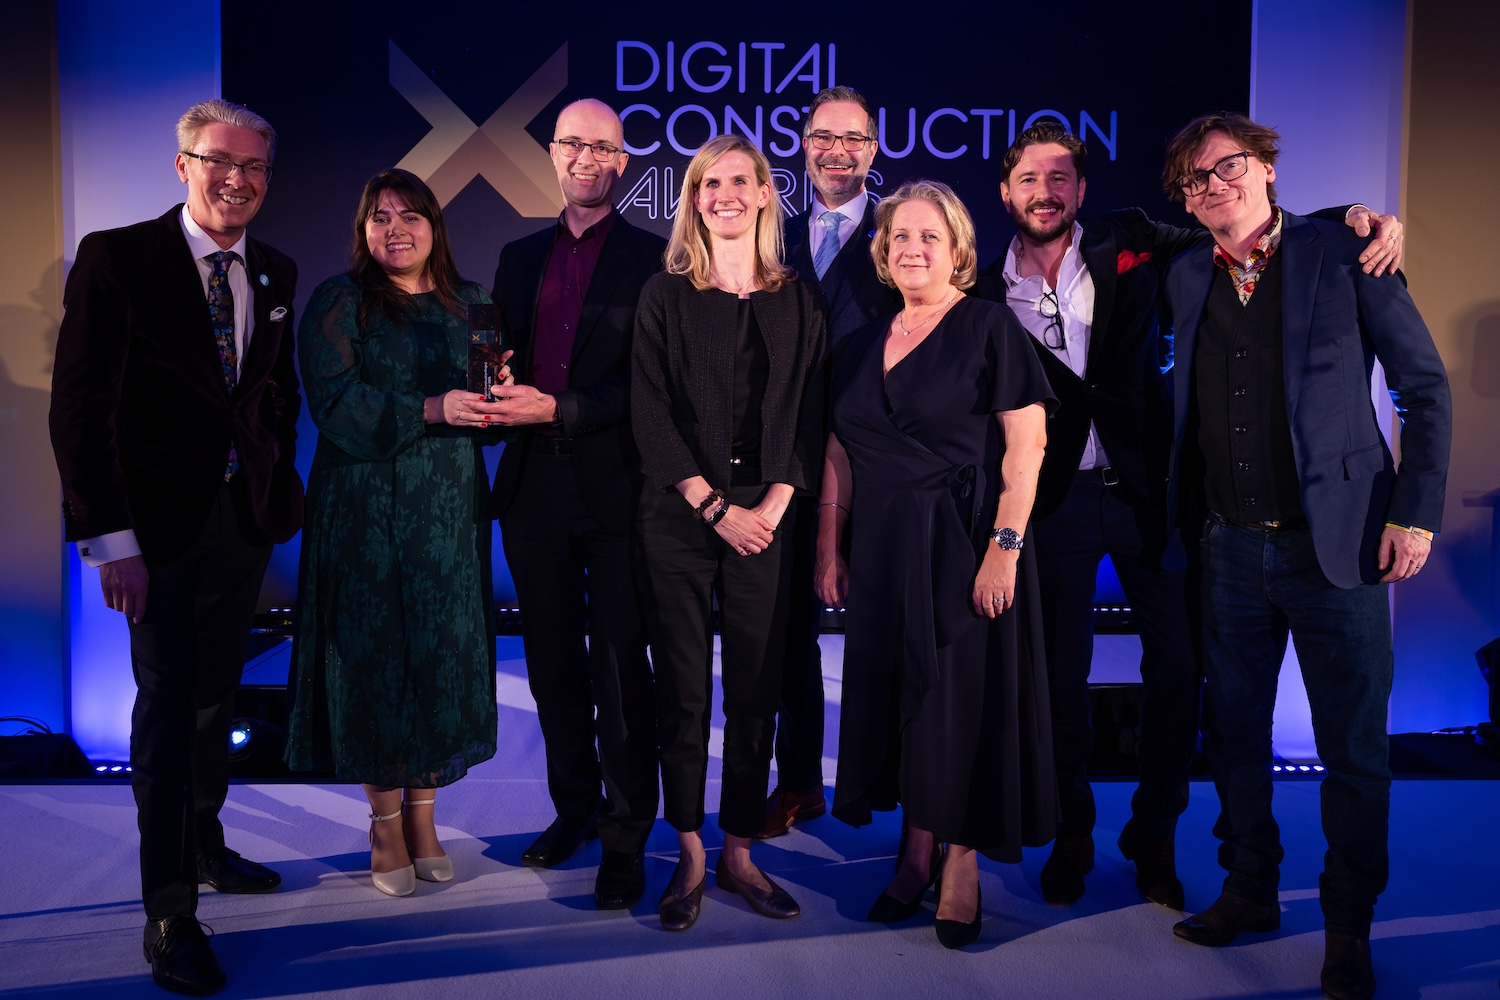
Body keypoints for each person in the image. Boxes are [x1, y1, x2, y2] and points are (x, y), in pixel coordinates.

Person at [972, 122, 1408, 911]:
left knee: (1180, 674)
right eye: (1030, 179)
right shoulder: (978, 284)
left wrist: (1358, 217)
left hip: (1153, 494)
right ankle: (1074, 833)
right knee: (1059, 682)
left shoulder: (1136, 238)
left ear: (1081, 190)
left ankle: (1155, 837)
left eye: (1062, 177)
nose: (1046, 191)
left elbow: (1251, 226)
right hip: (1052, 503)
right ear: (1006, 192)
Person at [1159, 113, 1450, 1000]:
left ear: (1268, 169)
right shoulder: (1182, 273)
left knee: (1354, 750)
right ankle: (1249, 889)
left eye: (1229, 168)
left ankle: (1348, 925)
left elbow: (1423, 390)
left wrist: (1416, 515)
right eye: (1195, 180)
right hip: (1228, 550)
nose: (1214, 187)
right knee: (1236, 738)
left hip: (1345, 549)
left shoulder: (1347, 251)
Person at [48, 98, 301, 995]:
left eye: (255, 168)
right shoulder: (120, 258)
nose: (238, 180)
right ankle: (169, 911)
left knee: (213, 702)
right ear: (183, 164)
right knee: (165, 710)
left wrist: (274, 486)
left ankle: (205, 841)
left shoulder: (274, 269)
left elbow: (269, 395)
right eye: (219, 162)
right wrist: (111, 543)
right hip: (149, 538)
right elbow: (80, 413)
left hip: (240, 526)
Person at [817, 180, 1057, 950]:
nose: (913, 249)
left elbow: (1029, 444)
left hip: (962, 543)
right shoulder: (859, 343)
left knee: (959, 703)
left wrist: (1004, 547)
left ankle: (961, 858)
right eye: (900, 238)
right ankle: (914, 847)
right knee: (903, 702)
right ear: (882, 255)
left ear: (958, 250)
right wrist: (829, 544)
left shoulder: (989, 326)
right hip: (883, 552)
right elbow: (838, 452)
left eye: (930, 236)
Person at [285, 168, 502, 900]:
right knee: (375, 660)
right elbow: (336, 404)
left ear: (435, 226)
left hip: (447, 512)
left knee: (441, 656)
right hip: (364, 511)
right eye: (380, 218)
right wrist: (436, 408)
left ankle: (423, 813)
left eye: (410, 216)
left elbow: (486, 412)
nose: (396, 229)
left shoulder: (472, 304)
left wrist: (496, 396)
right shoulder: (340, 301)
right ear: (363, 230)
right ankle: (383, 821)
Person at [632, 134, 826, 931]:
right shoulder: (664, 295)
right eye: (710, 182)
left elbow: (811, 414)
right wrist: (714, 507)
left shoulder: (797, 297)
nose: (725, 194)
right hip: (680, 516)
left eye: (740, 181)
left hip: (768, 517)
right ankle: (690, 851)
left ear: (764, 195)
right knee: (682, 689)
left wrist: (773, 508)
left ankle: (740, 848)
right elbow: (649, 413)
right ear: (694, 198)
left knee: (754, 692)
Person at [487, 98, 665, 910]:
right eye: (573, 144)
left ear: (623, 162)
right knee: (554, 666)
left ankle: (628, 838)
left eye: (604, 146)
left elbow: (653, 388)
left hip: (620, 483)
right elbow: (498, 360)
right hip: (533, 489)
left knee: (622, 669)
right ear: (552, 155)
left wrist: (559, 408)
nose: (587, 157)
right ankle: (576, 811)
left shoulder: (658, 261)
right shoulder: (518, 257)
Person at [759, 85, 904, 839]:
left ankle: (896, 788)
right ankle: (801, 782)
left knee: (893, 633)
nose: (837, 150)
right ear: (803, 146)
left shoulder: (900, 236)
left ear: (873, 150)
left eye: (853, 138)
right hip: (783, 468)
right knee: (788, 637)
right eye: (823, 137)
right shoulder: (766, 236)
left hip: (881, 473)